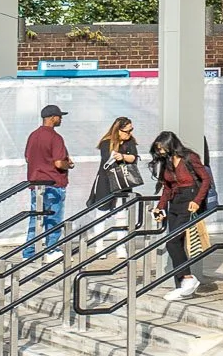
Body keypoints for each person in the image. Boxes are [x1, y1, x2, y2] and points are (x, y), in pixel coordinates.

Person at [150, 131, 213, 299]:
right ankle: (183, 286)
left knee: (172, 242)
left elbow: (205, 179)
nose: (160, 152)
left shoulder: (189, 157)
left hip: (190, 200)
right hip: (175, 202)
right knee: (175, 242)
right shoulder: (167, 162)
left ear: (171, 144)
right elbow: (167, 187)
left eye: (162, 148)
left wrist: (197, 201)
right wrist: (160, 207)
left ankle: (188, 279)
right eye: (158, 149)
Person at [23, 103, 72, 259]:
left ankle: (29, 252)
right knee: (53, 218)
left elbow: (27, 157)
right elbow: (59, 163)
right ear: (53, 118)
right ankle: (52, 250)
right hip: (54, 182)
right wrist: (69, 164)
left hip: (36, 183)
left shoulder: (33, 135)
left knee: (35, 218)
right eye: (59, 116)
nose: (61, 119)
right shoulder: (55, 137)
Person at [88, 116, 141, 214]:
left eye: (131, 130)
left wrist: (123, 156)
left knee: (123, 211)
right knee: (102, 209)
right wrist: (116, 156)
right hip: (107, 180)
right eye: (127, 131)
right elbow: (107, 160)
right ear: (118, 130)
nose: (130, 133)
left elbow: (134, 157)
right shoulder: (106, 143)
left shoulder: (130, 142)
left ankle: (121, 227)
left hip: (124, 181)